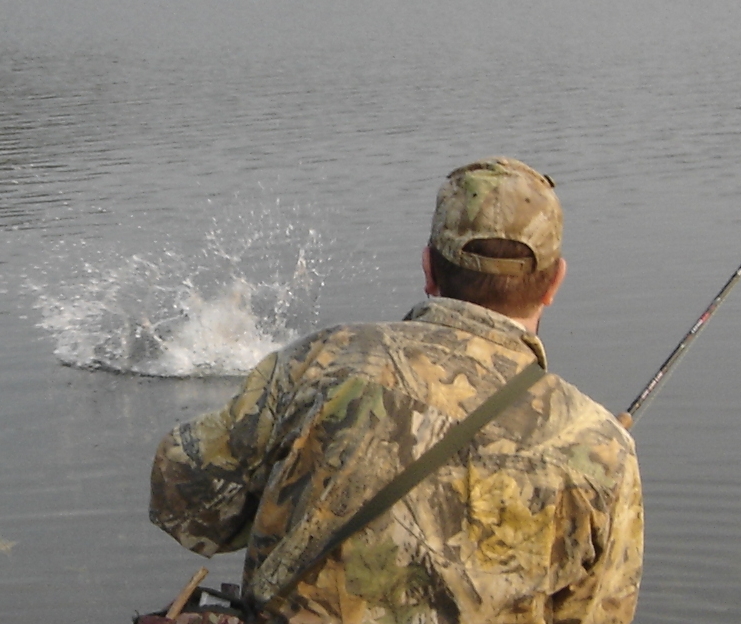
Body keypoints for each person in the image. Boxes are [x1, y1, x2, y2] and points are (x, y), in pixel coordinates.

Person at [150, 157, 643, 624]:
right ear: (555, 283)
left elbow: (183, 500)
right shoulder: (602, 449)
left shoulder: (325, 359)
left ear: (428, 268)